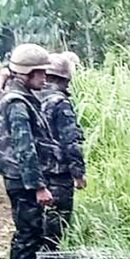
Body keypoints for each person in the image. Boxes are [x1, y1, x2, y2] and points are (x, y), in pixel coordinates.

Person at [0, 44, 58, 259]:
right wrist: (38, 186)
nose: (44, 78)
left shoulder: (20, 98)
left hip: (20, 178)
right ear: (26, 74)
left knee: (28, 233)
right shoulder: (18, 103)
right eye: (40, 73)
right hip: (22, 180)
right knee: (28, 234)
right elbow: (24, 148)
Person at [39, 53, 87, 249]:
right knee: (56, 221)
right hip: (57, 173)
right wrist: (78, 173)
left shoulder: (28, 96)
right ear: (64, 78)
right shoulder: (60, 103)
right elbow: (70, 140)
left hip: (32, 171)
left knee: (34, 223)